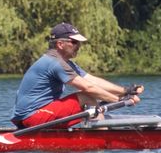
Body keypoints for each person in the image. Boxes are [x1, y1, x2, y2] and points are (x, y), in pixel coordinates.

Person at [12, 22, 142, 128]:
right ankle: (102, 139)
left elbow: (92, 81)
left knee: (92, 98)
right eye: (74, 42)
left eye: (79, 42)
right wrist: (119, 100)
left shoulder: (64, 62)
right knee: (86, 97)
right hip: (32, 116)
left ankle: (96, 131)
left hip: (33, 115)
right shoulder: (55, 63)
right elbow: (88, 88)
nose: (79, 46)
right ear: (60, 44)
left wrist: (126, 91)